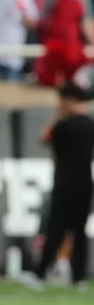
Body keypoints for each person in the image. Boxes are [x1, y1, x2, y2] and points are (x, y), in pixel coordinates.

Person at [23, 81, 94, 289]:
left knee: (56, 229)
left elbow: (45, 138)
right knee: (79, 232)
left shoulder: (64, 125)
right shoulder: (90, 125)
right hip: (85, 183)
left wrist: (57, 116)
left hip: (64, 183)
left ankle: (40, 272)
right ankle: (78, 277)